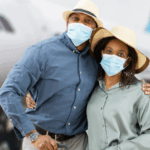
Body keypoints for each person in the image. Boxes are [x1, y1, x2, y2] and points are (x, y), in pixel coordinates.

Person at [0, 0, 103, 150]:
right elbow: (8, 92)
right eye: (75, 19)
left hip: (78, 143)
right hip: (40, 141)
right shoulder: (42, 51)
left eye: (87, 21)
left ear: (95, 29)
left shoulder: (96, 60)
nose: (80, 24)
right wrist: (33, 135)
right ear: (67, 22)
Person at [86, 26, 150, 150]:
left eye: (120, 54)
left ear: (127, 61)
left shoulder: (141, 91)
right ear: (102, 53)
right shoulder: (93, 88)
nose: (113, 57)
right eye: (109, 51)